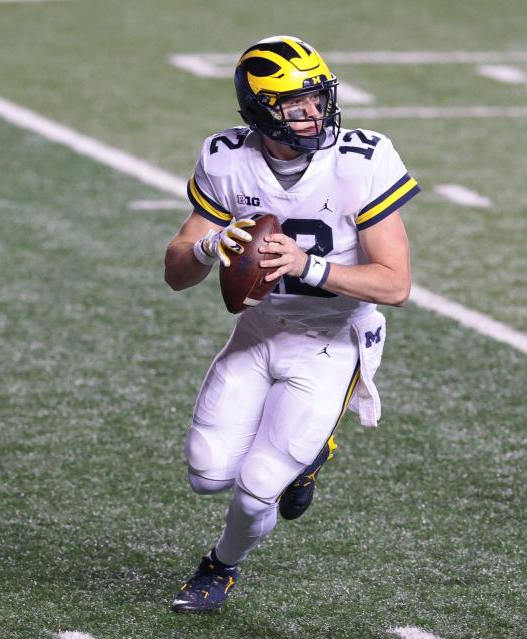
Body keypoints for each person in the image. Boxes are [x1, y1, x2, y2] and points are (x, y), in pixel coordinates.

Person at [163, 34, 420, 612]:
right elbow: (176, 271)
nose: (311, 113)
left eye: (316, 97)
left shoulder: (363, 159)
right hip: (258, 330)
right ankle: (304, 453)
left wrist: (310, 264)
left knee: (256, 492)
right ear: (257, 109)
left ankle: (219, 567)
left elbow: (396, 285)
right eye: (291, 103)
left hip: (330, 341)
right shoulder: (227, 158)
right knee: (206, 473)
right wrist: (208, 246)